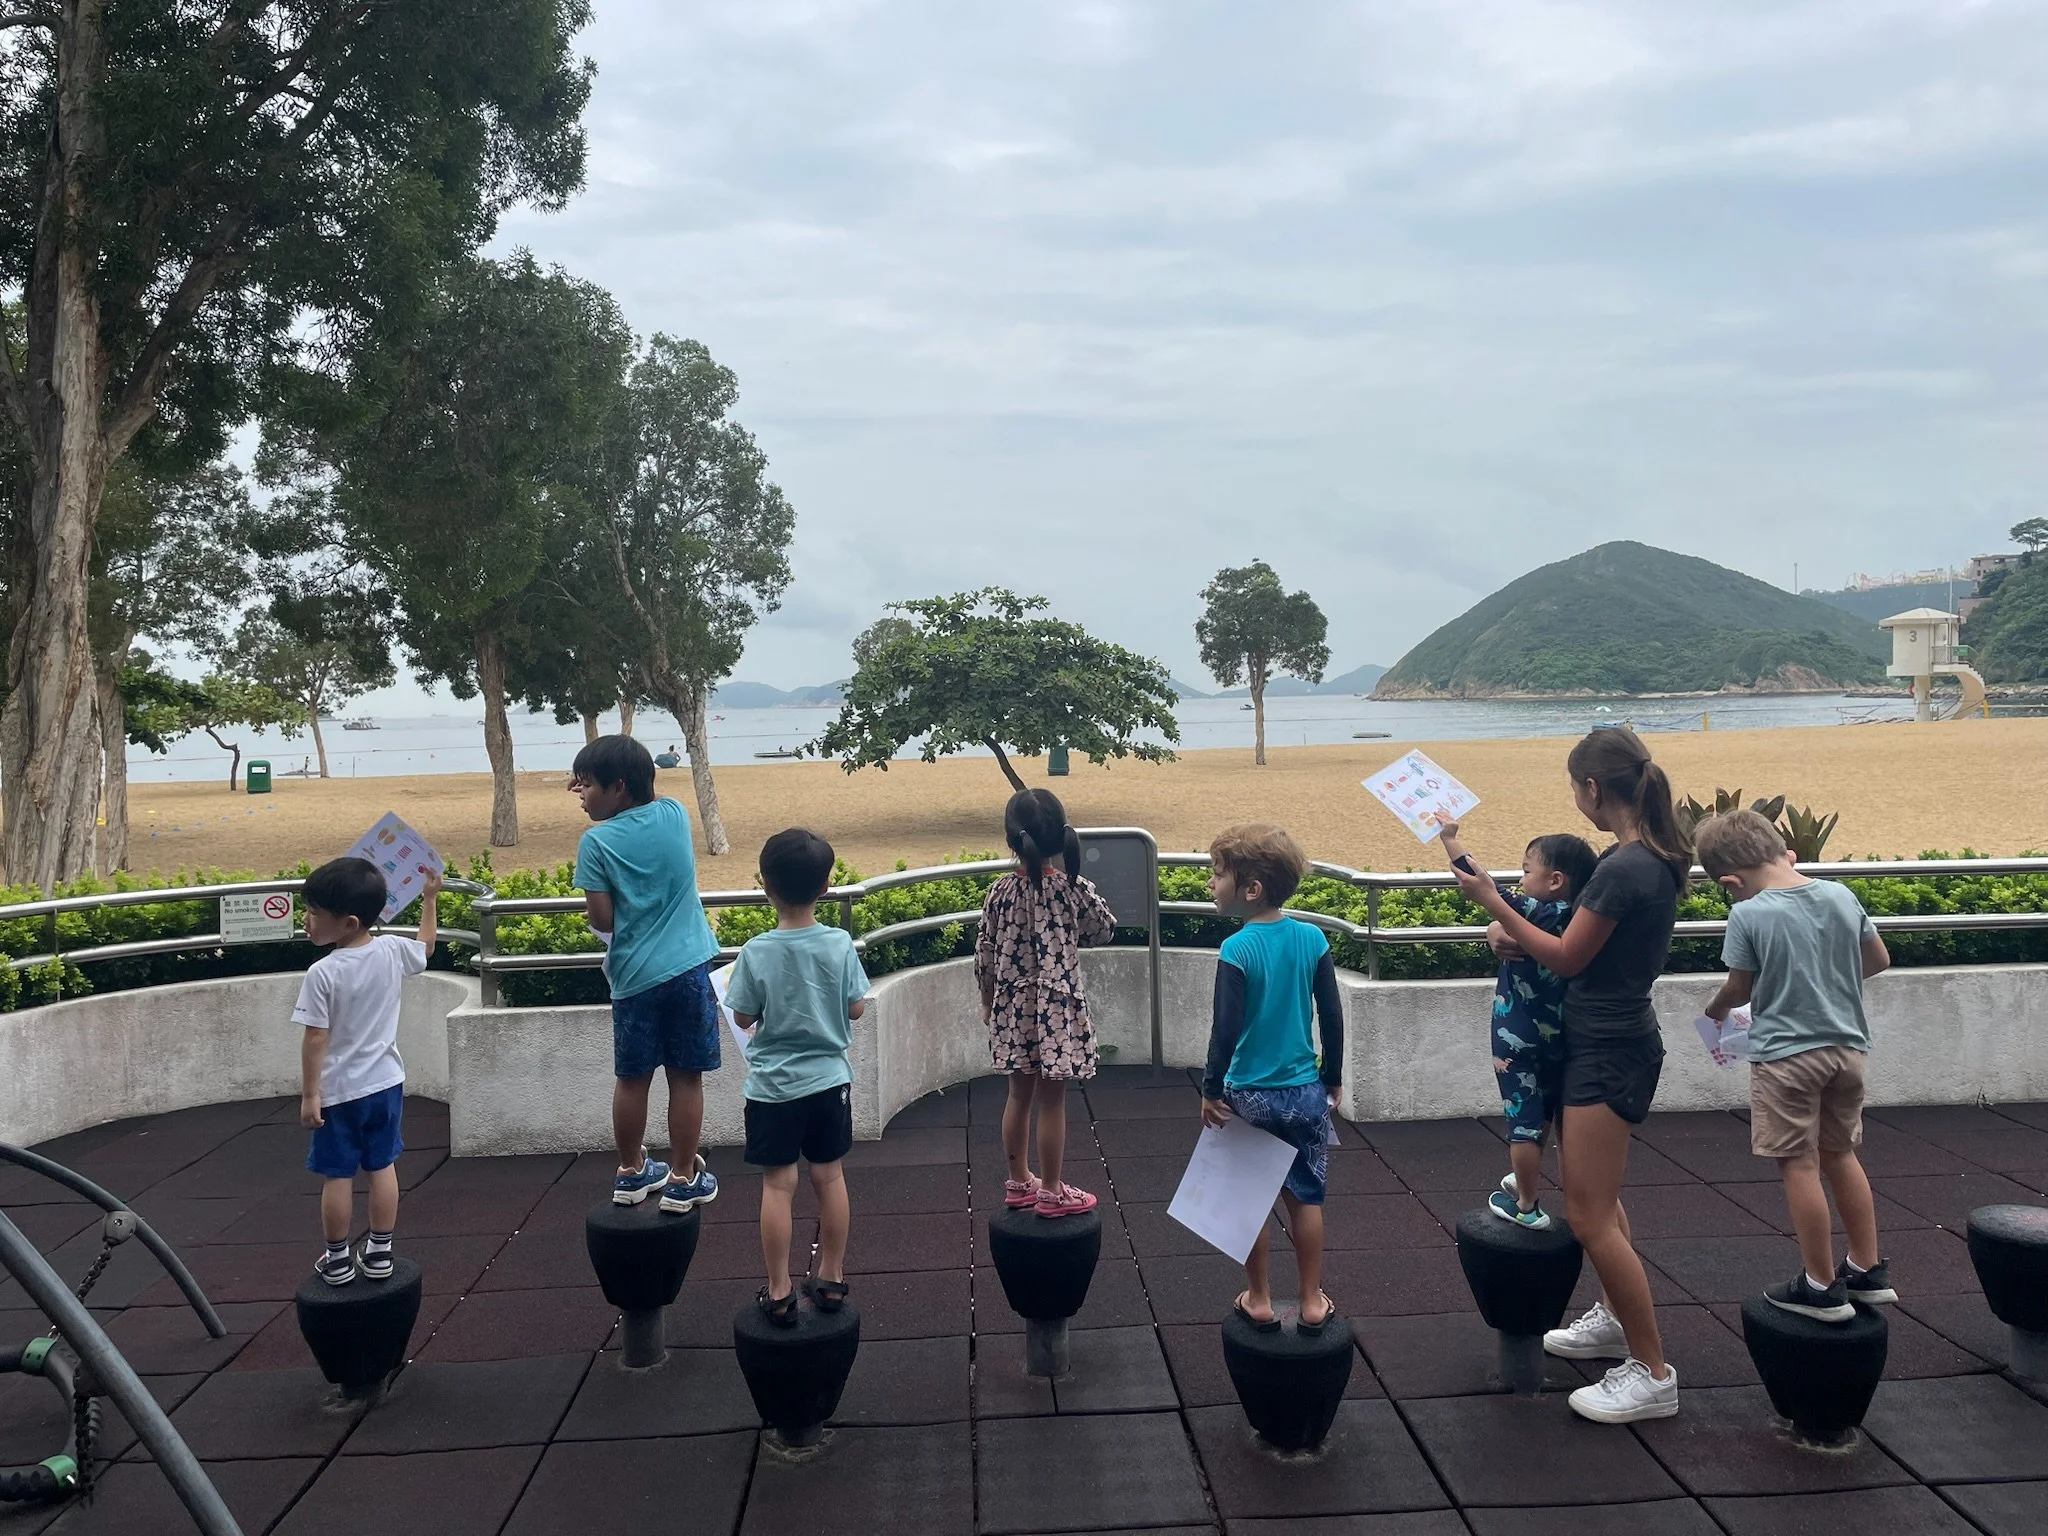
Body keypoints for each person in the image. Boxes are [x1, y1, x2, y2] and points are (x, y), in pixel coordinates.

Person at [1452, 727, 1688, 1424]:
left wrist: (1493, 903)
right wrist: (1508, 927)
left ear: (1591, 789)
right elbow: (1565, 943)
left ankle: (1652, 1372)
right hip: (1609, 1042)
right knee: (1599, 1200)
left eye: (1572, 788)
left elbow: (1565, 957)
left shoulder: (1623, 868)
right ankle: (1617, 1319)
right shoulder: (1650, 857)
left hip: (1608, 1052)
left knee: (1586, 1213)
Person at [1697, 810, 1896, 1321]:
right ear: (1787, 852)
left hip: (1786, 1057)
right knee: (1840, 1152)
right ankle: (1868, 1269)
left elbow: (1739, 988)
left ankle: (1820, 1285)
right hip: (1848, 1050)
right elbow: (1877, 961)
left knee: (1800, 1163)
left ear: (1729, 882)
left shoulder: (1749, 914)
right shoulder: (1839, 896)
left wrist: (1715, 1014)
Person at [1201, 823, 1346, 1330]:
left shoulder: (1237, 950)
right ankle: (1310, 1301)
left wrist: (1210, 1088)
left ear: (1251, 888)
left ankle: (1259, 1298)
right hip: (1304, 1092)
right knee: (1305, 1195)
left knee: (1252, 1197)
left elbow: (1226, 1029)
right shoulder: (1311, 939)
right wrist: (1332, 1076)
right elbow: (1331, 1014)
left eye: (1217, 875)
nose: (1210, 884)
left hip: (1249, 1095)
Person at [725, 828, 871, 1325]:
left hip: (773, 1088)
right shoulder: (839, 944)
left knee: (778, 1185)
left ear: (765, 885)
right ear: (826, 886)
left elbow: (742, 1018)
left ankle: (780, 1288)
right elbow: (856, 1008)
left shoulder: (756, 951)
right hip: (831, 1082)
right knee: (829, 1175)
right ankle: (831, 1277)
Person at [572, 734, 723, 1212]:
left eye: (588, 785)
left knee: (633, 1079)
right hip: (688, 969)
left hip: (634, 978)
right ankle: (681, 1178)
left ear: (617, 787)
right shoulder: (674, 814)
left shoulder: (594, 843)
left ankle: (631, 1172)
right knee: (686, 1077)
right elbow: (646, 800)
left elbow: (601, 920)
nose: (581, 793)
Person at [1438, 820, 1598, 1230]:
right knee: (1543, 1112)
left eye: (1528, 870)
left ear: (1555, 880)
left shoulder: (1536, 911)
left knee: (1521, 1121)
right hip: (1560, 1035)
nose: (1521, 878)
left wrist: (1451, 840)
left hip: (1516, 1037)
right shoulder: (1578, 918)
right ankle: (1523, 1178)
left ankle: (1527, 1205)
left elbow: (1483, 887)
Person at [296, 857, 440, 1285]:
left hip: (339, 1092)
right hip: (386, 1084)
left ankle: (337, 1259)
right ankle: (380, 1252)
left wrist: (309, 1095)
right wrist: (429, 900)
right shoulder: (393, 950)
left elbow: (315, 1039)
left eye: (315, 913)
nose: (306, 920)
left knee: (338, 1174)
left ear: (348, 922)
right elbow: (426, 948)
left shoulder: (322, 973)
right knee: (382, 1167)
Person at [975, 788, 1117, 1217]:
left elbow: (985, 952)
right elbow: (1104, 929)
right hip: (1057, 1009)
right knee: (1053, 1101)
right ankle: (1052, 1190)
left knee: (1017, 1095)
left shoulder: (999, 892)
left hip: (1013, 1007)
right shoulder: (1073, 889)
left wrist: (987, 1001)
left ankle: (1019, 1182)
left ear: (1011, 839)